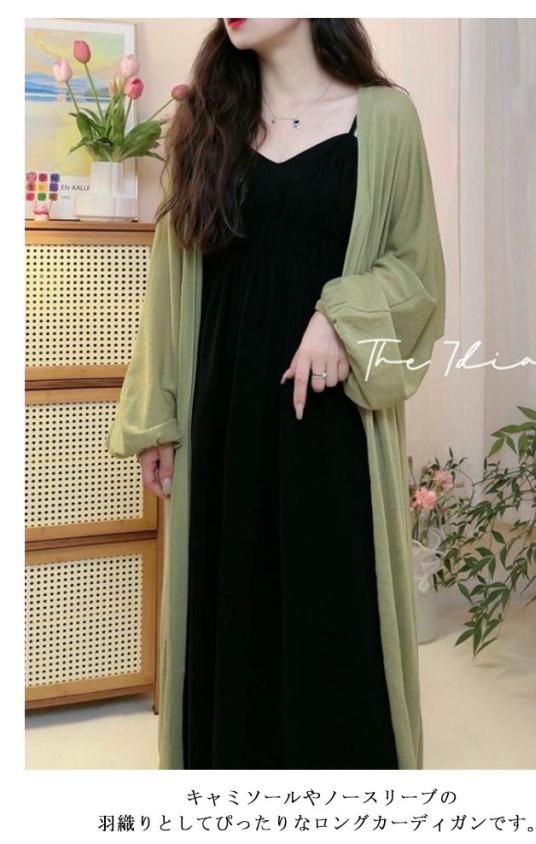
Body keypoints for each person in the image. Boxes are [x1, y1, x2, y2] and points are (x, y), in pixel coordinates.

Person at [106, 17, 446, 770]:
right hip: (221, 417)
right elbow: (171, 275)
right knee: (228, 611)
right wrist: (157, 416)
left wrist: (339, 316)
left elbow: (416, 270)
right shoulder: (205, 119)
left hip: (329, 418)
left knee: (334, 615)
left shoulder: (385, 119)